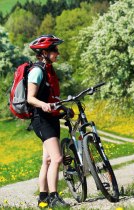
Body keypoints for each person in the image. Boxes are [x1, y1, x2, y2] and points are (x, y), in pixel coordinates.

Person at [27, 35, 70, 208]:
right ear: (44, 52)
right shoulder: (37, 71)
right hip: (41, 119)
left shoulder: (49, 69)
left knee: (47, 160)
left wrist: (64, 109)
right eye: (55, 50)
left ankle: (43, 197)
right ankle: (54, 197)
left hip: (51, 118)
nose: (57, 53)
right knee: (57, 158)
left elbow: (52, 96)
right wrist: (43, 105)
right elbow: (31, 98)